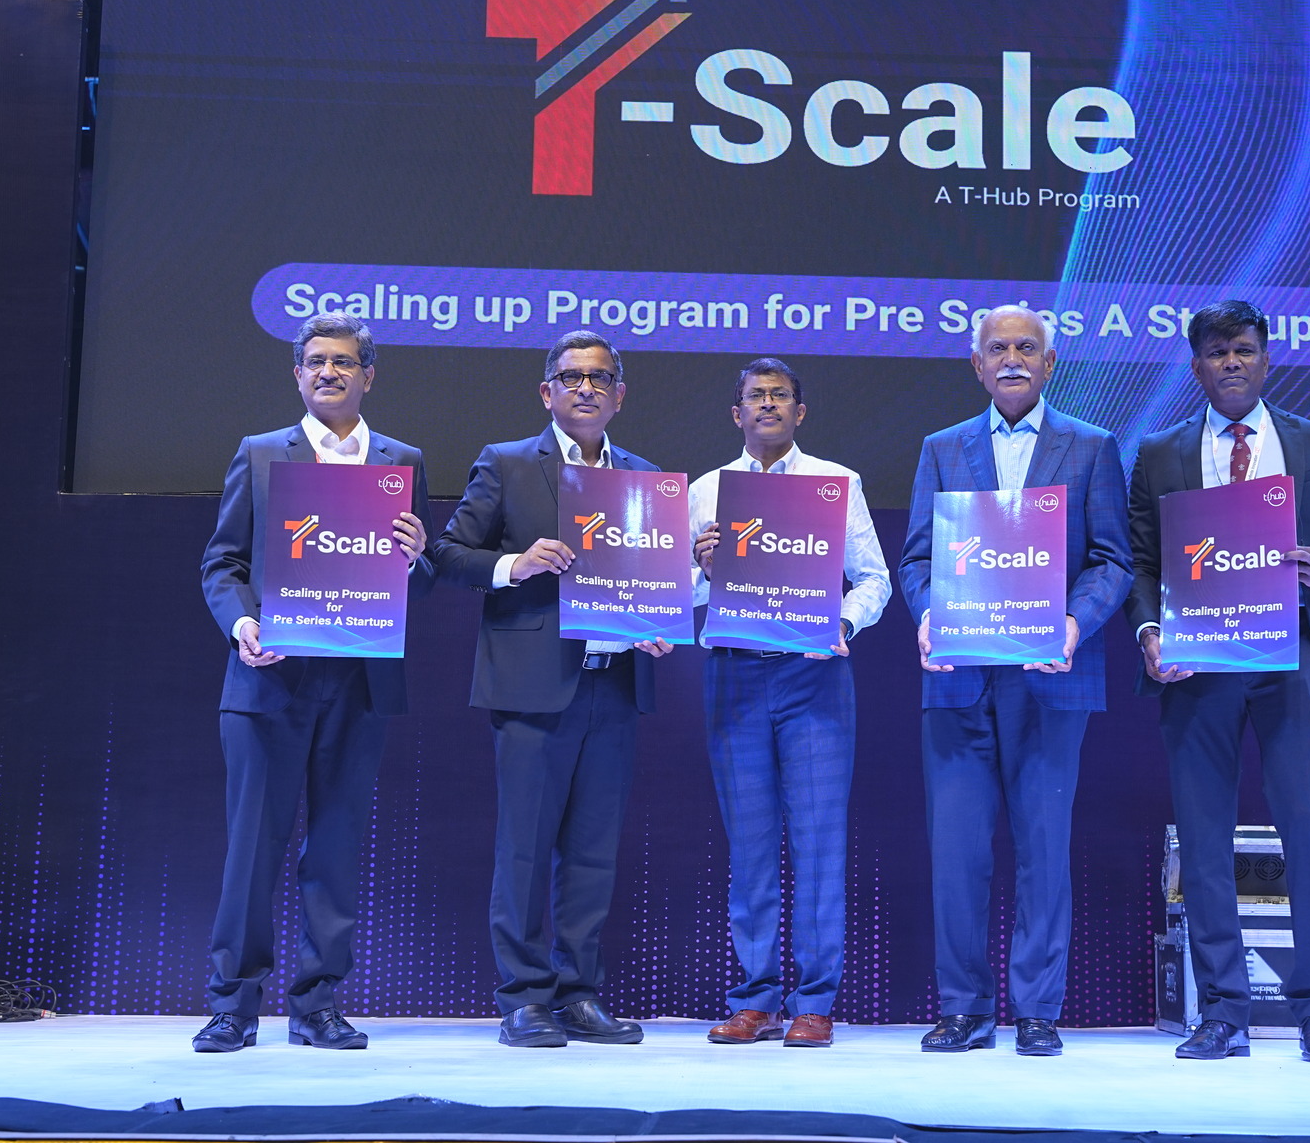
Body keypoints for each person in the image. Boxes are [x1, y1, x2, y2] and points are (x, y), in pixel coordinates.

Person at [1126, 299, 1310, 1064]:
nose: (1230, 362)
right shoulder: (1159, 452)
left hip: (1292, 654)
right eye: (1216, 352)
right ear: (1195, 366)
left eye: (1242, 349)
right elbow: (1143, 563)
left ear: (1267, 360)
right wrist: (1149, 633)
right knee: (1204, 837)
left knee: (1309, 828)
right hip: (1198, 663)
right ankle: (1223, 1012)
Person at [193, 312, 434, 1053]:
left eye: (344, 361)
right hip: (269, 680)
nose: (329, 371)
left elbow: (417, 583)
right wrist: (244, 624)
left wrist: (416, 556)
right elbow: (223, 563)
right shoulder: (262, 452)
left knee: (335, 851)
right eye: (316, 361)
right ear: (298, 373)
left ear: (369, 375)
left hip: (359, 683)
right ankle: (233, 1006)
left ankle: (318, 1006)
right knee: (252, 850)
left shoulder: (402, 461)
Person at [898, 305, 1132, 1056]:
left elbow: (1113, 559)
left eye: (1027, 347)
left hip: (1050, 676)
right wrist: (927, 615)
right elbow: (917, 559)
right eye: (997, 348)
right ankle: (963, 1009)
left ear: (1049, 363)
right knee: (957, 853)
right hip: (959, 675)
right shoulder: (941, 449)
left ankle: (1037, 1010)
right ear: (976, 365)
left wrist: (1075, 623)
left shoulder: (1091, 447)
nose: (1012, 359)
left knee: (1044, 849)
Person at [436, 329, 673, 1048]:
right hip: (533, 686)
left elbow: (653, 580)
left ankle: (578, 995)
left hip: (615, 684)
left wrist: (657, 621)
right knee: (525, 850)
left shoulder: (646, 479)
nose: (586, 389)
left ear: (620, 395)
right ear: (547, 393)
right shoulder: (507, 463)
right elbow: (447, 553)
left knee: (594, 853)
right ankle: (524, 998)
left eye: (600, 378)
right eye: (572, 377)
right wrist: (515, 564)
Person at [687, 358, 892, 1049]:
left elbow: (874, 580)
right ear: (736, 413)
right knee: (749, 846)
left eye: (780, 395)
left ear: (799, 413)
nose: (768, 404)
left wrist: (842, 623)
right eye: (756, 396)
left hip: (814, 676)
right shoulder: (706, 491)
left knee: (818, 841)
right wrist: (704, 569)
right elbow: (679, 593)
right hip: (734, 675)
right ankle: (755, 999)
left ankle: (815, 1001)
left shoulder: (836, 484)